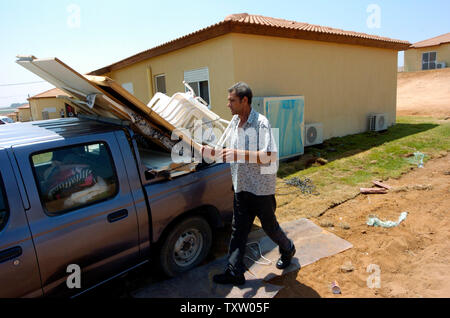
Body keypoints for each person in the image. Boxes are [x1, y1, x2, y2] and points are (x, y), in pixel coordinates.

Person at [201, 82, 296, 286]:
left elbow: (269, 156)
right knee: (238, 231)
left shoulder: (261, 123)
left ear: (244, 101)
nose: (228, 105)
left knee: (270, 228)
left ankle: (288, 248)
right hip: (241, 187)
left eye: (231, 100)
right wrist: (204, 150)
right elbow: (223, 148)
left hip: (261, 189)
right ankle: (234, 271)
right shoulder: (233, 123)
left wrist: (238, 154)